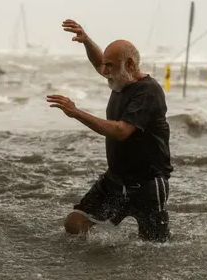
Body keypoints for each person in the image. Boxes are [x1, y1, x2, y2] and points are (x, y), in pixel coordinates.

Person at [46, 19, 173, 242]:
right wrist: (86, 41)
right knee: (75, 224)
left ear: (131, 65)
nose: (105, 71)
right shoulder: (119, 80)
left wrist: (76, 112)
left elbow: (121, 131)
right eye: (106, 66)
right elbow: (99, 63)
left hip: (148, 184)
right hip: (115, 180)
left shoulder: (148, 91)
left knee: (154, 248)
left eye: (110, 66)